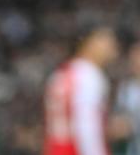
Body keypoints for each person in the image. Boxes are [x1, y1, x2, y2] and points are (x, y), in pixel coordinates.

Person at [44, 22, 120, 155]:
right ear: (87, 42)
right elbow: (86, 127)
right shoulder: (89, 76)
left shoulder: (61, 73)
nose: (112, 45)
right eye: (105, 39)